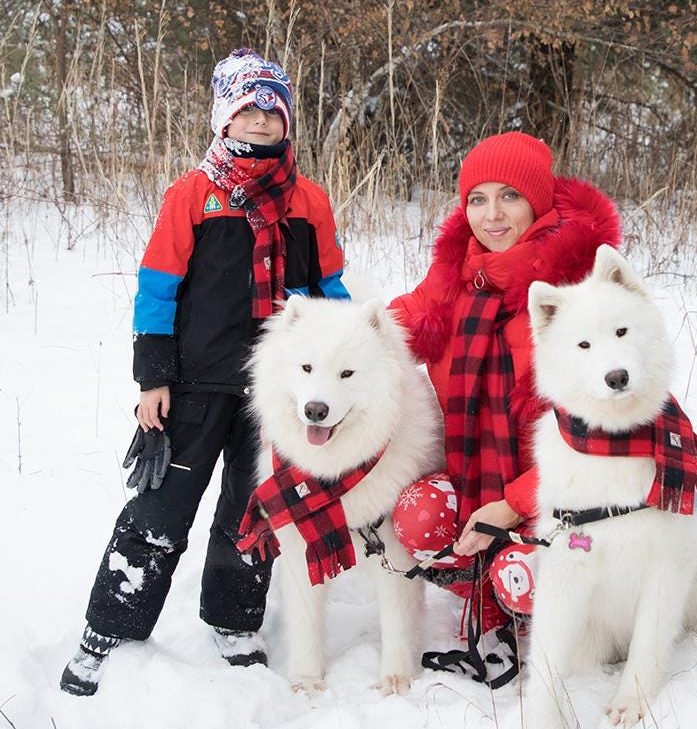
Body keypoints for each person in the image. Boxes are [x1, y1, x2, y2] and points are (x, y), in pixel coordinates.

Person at [60, 48, 349, 696]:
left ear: (288, 122)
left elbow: (331, 292)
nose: (260, 120)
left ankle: (235, 619)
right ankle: (109, 626)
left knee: (254, 511)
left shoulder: (309, 202)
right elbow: (156, 292)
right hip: (194, 386)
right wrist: (152, 379)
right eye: (246, 108)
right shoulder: (194, 194)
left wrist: (341, 367)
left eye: (272, 109)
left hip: (279, 393)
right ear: (223, 119)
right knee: (161, 508)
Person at [389, 132, 620, 651]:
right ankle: (482, 585)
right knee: (419, 515)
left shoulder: (579, 296)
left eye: (509, 196)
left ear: (537, 201)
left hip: (571, 500)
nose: (492, 215)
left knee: (533, 572)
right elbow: (377, 336)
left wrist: (513, 505)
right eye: (478, 199)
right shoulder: (453, 280)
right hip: (478, 482)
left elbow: (599, 442)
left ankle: (579, 615)